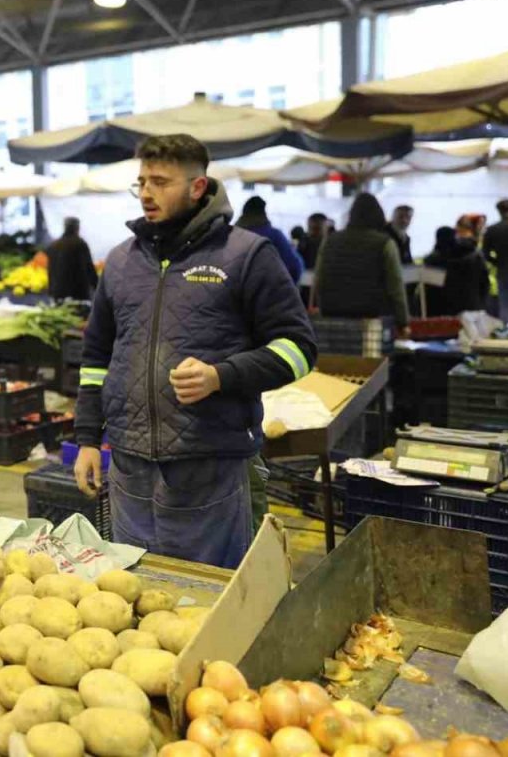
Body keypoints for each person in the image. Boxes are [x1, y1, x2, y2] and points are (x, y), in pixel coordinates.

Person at [73, 134, 316, 570]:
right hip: (130, 468)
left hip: (211, 466)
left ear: (198, 187)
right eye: (142, 181)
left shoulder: (245, 255)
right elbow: (96, 359)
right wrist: (88, 438)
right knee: (136, 589)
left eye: (161, 182)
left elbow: (299, 348)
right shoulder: (122, 262)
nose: (147, 193)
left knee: (213, 597)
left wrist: (221, 375)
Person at [314, 193, 410, 332]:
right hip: (373, 322)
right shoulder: (385, 244)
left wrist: (324, 310)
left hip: (333, 317)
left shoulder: (329, 241)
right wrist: (403, 322)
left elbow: (319, 281)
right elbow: (396, 288)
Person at [236, 196, 304, 283]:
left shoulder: (232, 235)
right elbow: (294, 267)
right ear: (263, 213)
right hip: (268, 291)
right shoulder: (274, 235)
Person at [424, 226, 489, 315]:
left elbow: (429, 291)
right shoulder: (474, 257)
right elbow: (484, 284)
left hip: (442, 313)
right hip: (472, 310)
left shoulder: (432, 262)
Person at [45, 216, 98, 301]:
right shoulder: (80, 244)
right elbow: (89, 268)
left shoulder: (54, 245)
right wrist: (97, 287)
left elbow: (50, 271)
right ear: (77, 228)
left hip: (57, 293)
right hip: (77, 294)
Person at [484, 199, 508, 322]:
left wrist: (497, 262)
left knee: (505, 304)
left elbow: (486, 252)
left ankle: (507, 332)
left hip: (503, 271)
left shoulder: (493, 229)